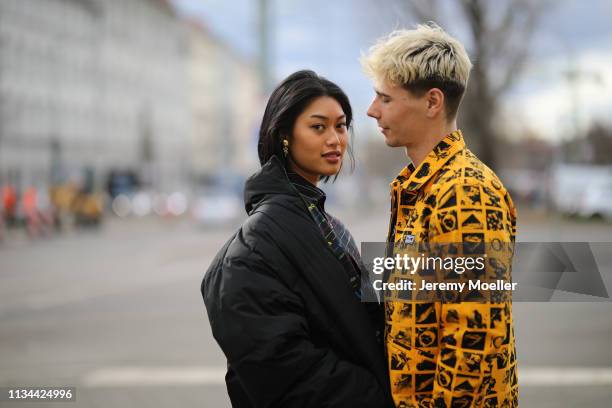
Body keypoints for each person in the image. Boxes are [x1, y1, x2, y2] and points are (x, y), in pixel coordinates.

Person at [202, 70, 394, 407]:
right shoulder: (254, 246)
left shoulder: (324, 223)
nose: (335, 139)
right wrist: (376, 397)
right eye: (318, 127)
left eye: (341, 125)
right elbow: (283, 371)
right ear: (284, 135)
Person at [361, 24, 519, 407]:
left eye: (385, 98)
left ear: (432, 102)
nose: (372, 110)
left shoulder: (465, 192)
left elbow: (474, 340)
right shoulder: (422, 187)